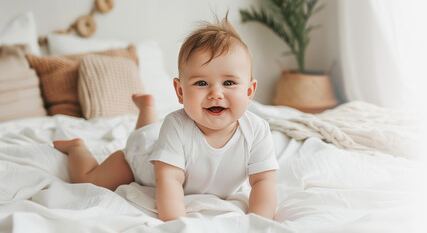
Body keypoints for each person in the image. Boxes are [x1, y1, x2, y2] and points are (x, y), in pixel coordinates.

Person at [52, 14, 278, 222]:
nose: (215, 93)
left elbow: (263, 182)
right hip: (141, 159)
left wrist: (258, 223)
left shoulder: (257, 130)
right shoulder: (177, 125)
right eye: (201, 83)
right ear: (180, 92)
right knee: (90, 180)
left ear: (249, 92)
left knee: (150, 133)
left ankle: (147, 106)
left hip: (157, 141)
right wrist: (177, 224)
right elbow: (169, 181)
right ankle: (77, 148)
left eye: (229, 83)